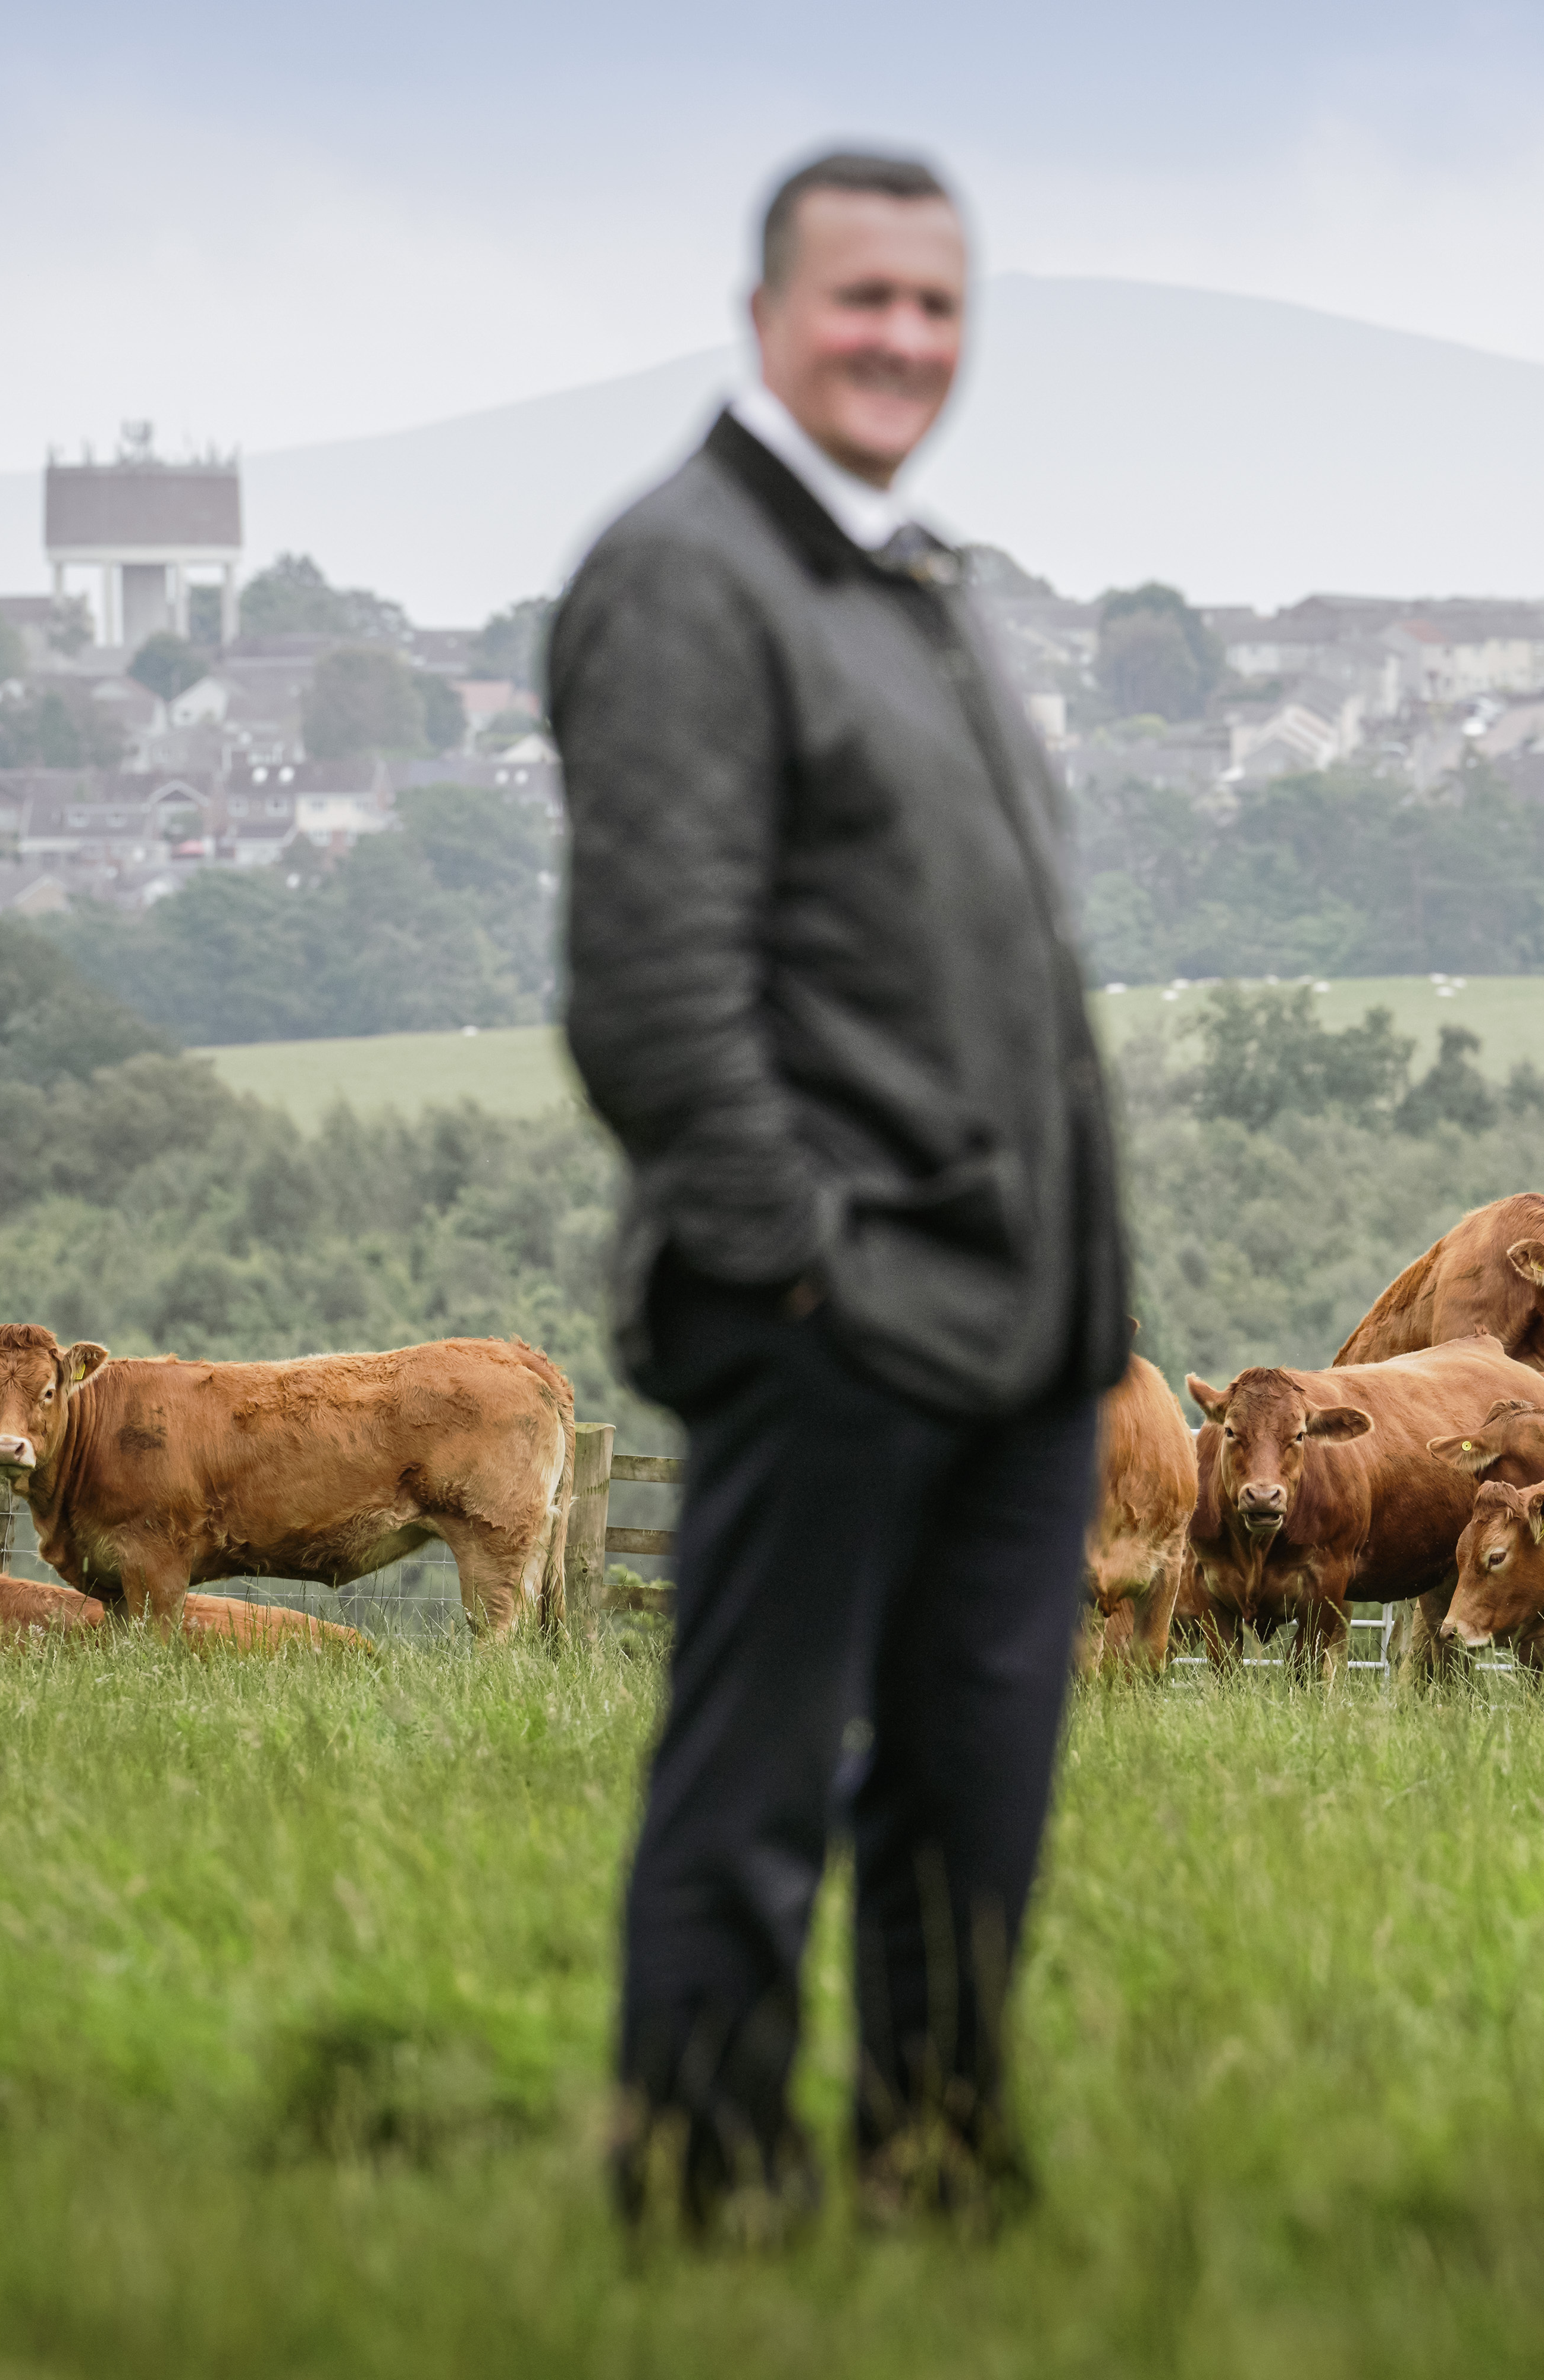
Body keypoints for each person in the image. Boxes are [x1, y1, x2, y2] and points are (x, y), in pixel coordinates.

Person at [550, 148, 1128, 2238]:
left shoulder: (908, 576)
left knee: (978, 1782)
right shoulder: (689, 575)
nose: (902, 339)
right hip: (836, 1310)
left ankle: (938, 2169)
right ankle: (706, 2183)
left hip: (1019, 1322)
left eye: (936, 305)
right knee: (760, 1776)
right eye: (862, 298)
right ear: (767, 317)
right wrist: (800, 1264)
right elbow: (651, 993)